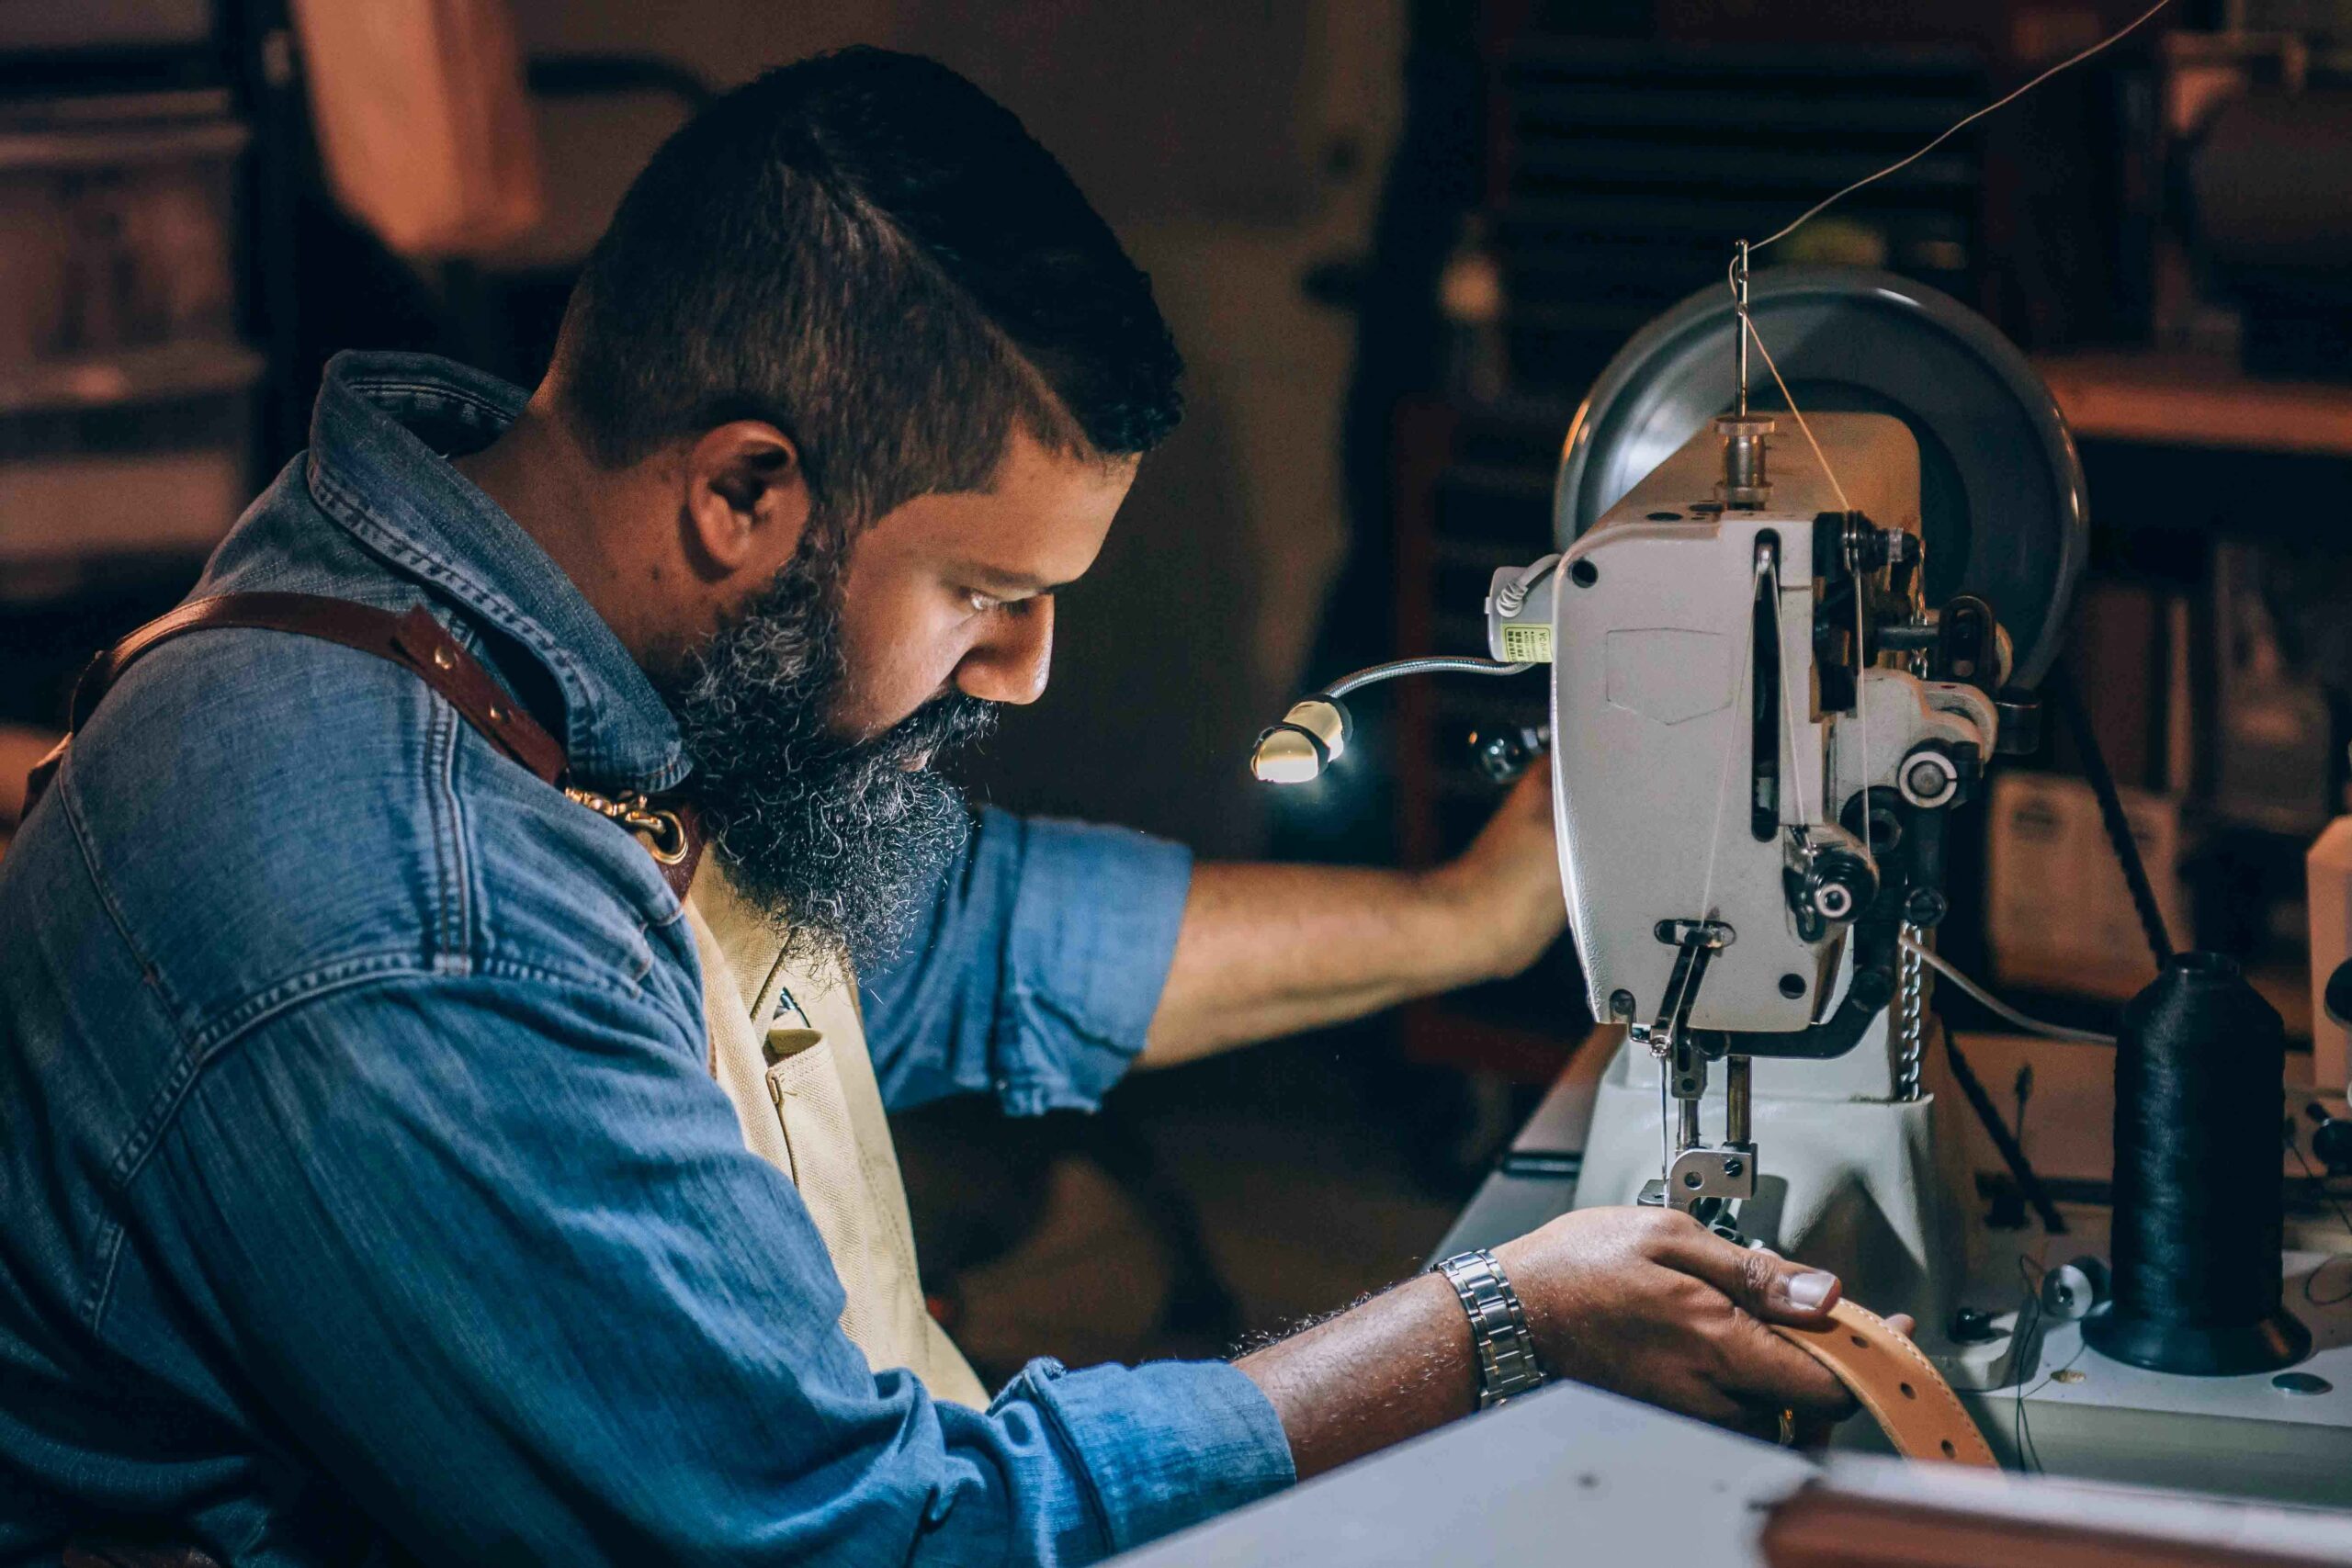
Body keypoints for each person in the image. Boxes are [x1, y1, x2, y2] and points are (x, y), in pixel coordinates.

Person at [0, 49, 1860, 1566]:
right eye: (985, 591)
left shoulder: (499, 623)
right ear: (743, 490)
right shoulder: (413, 915)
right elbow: (861, 1540)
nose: (1026, 669)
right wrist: (1493, 1321)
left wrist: (1478, 909)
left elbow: (975, 939)